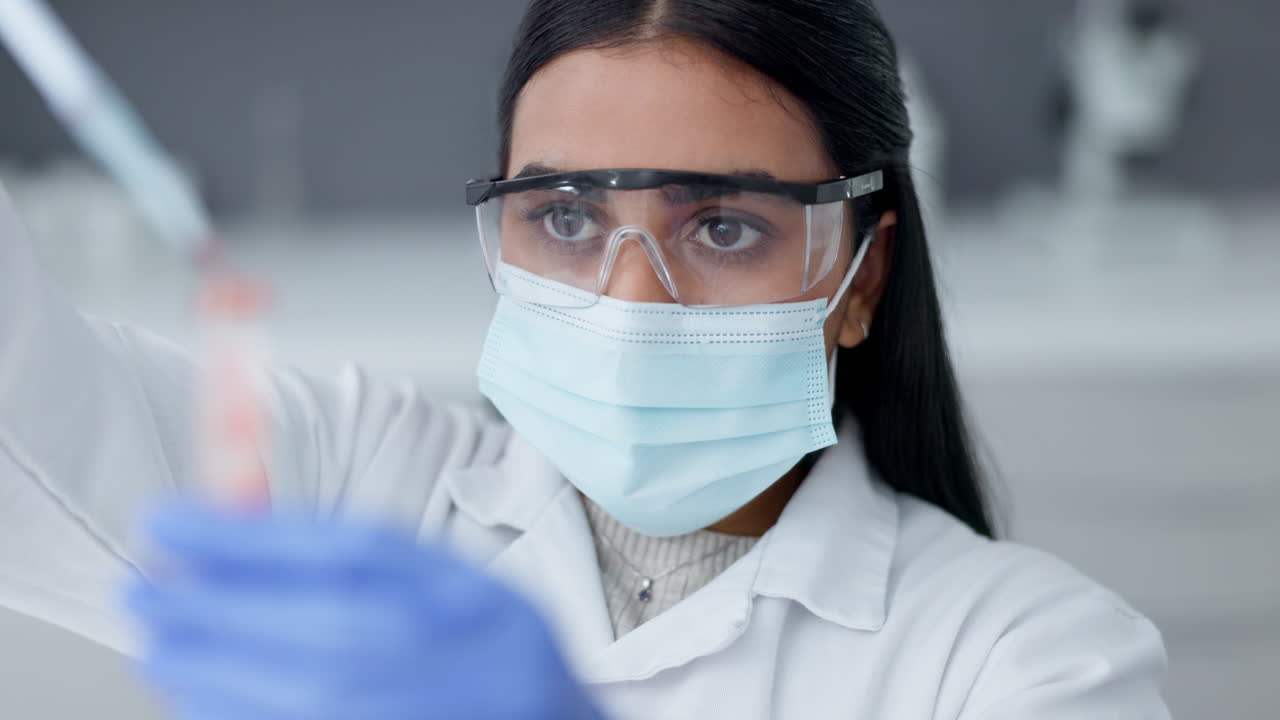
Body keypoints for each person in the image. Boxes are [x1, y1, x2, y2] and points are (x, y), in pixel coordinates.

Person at [0, 0, 1171, 718]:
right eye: (563, 218)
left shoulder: (1028, 662)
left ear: (861, 276)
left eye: (723, 227)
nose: (626, 304)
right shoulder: (355, 481)